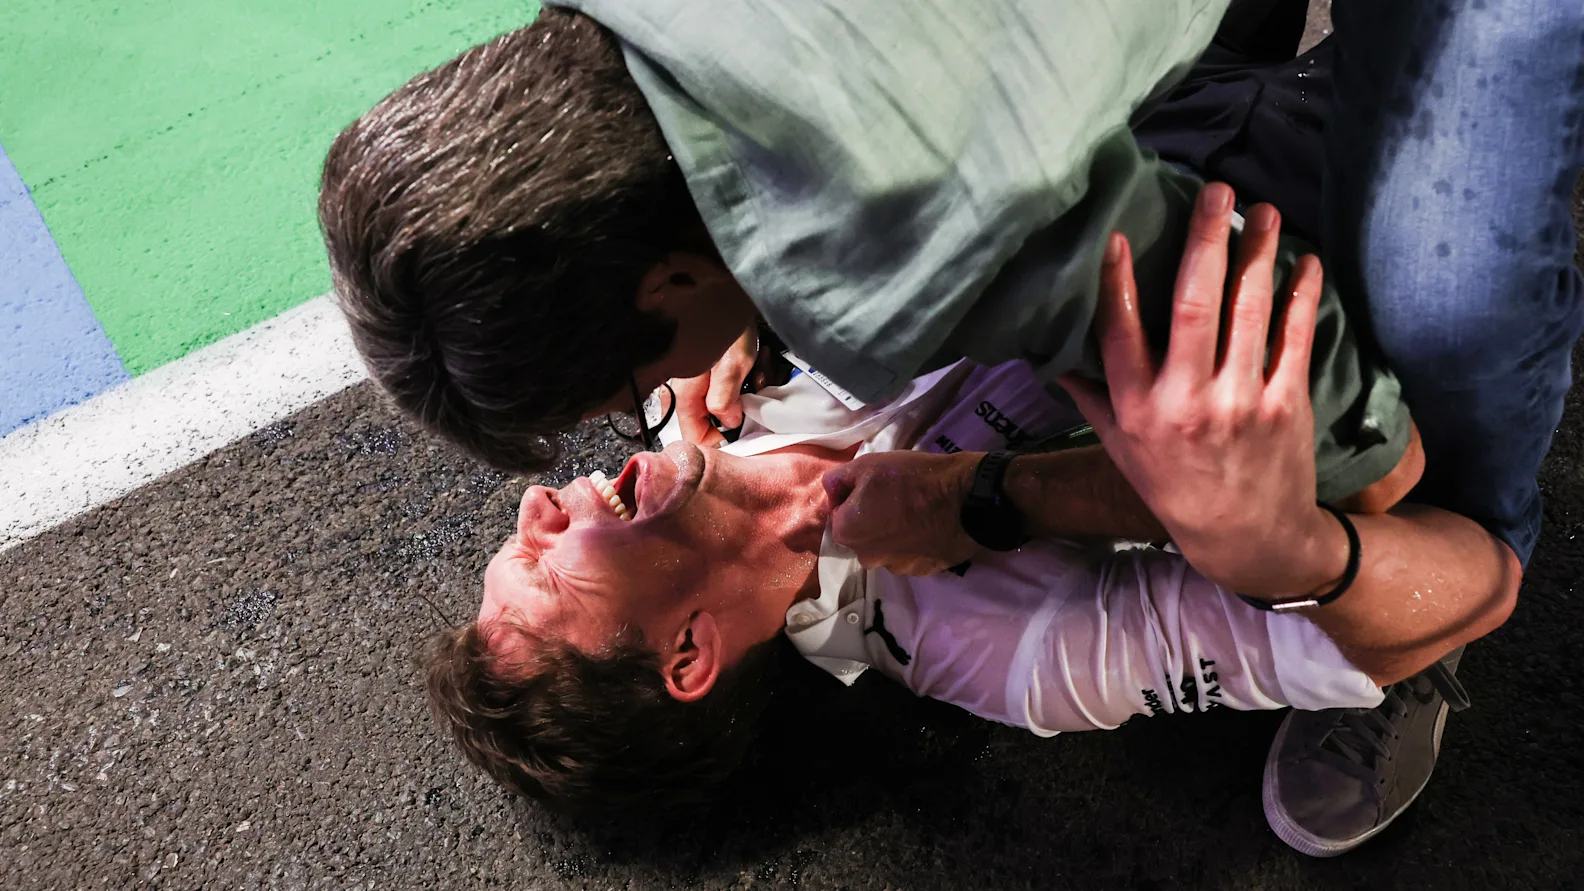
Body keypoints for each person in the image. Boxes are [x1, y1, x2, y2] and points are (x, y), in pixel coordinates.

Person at [421, 199, 1516, 820]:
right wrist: (1007, 498)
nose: (534, 505)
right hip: (1364, 283)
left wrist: (749, 290)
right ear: (690, 652)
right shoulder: (998, 654)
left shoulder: (683, 391)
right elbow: (1471, 582)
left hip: (1170, 133)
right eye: (547, 570)